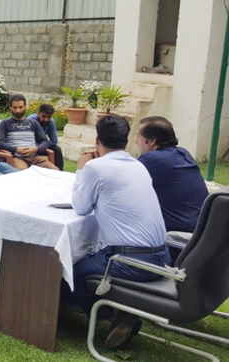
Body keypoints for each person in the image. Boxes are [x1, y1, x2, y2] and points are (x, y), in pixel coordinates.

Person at [72, 115, 169, 349]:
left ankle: (113, 313)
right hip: (162, 257)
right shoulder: (139, 165)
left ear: (97, 139)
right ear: (126, 140)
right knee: (94, 254)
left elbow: (80, 207)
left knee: (70, 271)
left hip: (131, 261)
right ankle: (121, 313)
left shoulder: (95, 167)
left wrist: (81, 169)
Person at [136, 116, 207, 233]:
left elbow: (123, 183)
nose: (136, 141)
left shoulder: (150, 159)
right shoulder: (183, 153)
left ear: (152, 141)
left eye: (138, 136)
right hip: (201, 228)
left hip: (176, 232)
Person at [0, 95, 58, 171]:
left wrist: (36, 149)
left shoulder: (33, 123)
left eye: (20, 107)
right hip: (17, 157)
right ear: (10, 108)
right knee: (24, 174)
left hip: (34, 157)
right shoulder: (5, 123)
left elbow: (45, 141)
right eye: (15, 107)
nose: (18, 111)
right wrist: (16, 149)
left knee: (54, 171)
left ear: (25, 107)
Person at [27, 104, 65, 171]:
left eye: (49, 117)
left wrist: (41, 146)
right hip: (29, 145)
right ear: (38, 114)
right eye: (43, 116)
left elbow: (54, 140)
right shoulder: (31, 120)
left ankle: (60, 172)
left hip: (42, 145)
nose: (46, 119)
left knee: (57, 149)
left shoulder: (51, 122)